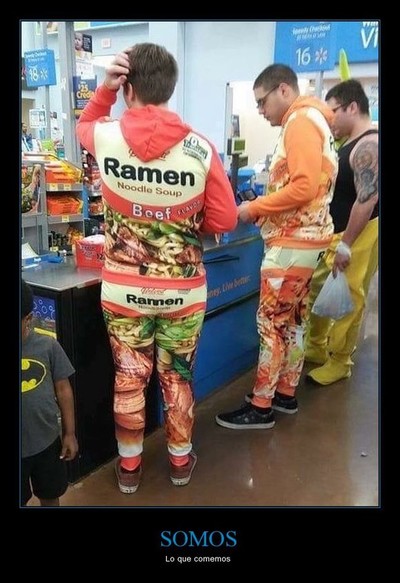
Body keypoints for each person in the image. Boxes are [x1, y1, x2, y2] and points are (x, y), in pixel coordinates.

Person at [76, 43, 237, 493]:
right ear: (171, 87)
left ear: (128, 88)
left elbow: (83, 125)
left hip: (122, 292)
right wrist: (184, 220)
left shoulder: (106, 137)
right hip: (183, 293)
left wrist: (104, 91)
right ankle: (180, 461)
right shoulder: (200, 149)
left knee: (129, 377)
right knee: (177, 375)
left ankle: (129, 468)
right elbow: (225, 219)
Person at [216, 64, 337, 430]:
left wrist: (254, 208)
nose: (260, 110)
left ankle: (261, 406)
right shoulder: (316, 120)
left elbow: (303, 187)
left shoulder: (300, 121)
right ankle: (285, 393)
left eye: (262, 101)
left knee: (270, 323)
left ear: (283, 90)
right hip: (309, 241)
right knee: (293, 321)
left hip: (291, 242)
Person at [305, 79, 379, 385]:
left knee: (349, 296)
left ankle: (340, 360)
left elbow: (368, 198)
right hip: (335, 232)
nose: (329, 119)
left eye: (333, 111)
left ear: (352, 107)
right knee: (319, 289)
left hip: (358, 233)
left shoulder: (368, 146)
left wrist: (347, 244)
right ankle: (316, 346)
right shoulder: (349, 143)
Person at [21, 280, 78, 506]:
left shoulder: (47, 346)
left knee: (50, 494)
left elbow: (64, 390)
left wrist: (69, 433)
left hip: (47, 442)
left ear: (27, 319)